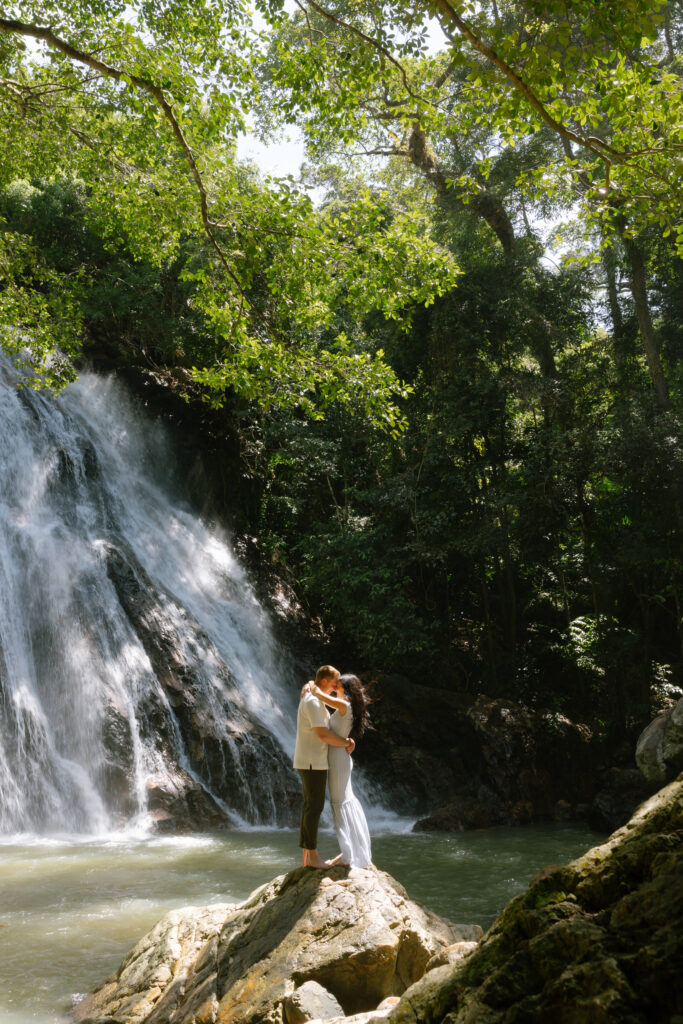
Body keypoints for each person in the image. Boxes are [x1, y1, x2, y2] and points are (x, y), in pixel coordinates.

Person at [303, 673, 372, 868]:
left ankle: (348, 855)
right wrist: (349, 741)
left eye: (337, 685)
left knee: (339, 804)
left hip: (338, 760)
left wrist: (310, 685)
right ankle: (352, 852)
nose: (334, 687)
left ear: (345, 688)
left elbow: (320, 695)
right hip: (340, 758)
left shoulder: (345, 706)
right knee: (344, 803)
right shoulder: (347, 706)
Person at [293, 664, 355, 869]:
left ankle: (307, 858)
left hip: (313, 760)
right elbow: (323, 734)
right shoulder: (313, 702)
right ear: (324, 682)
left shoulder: (316, 699)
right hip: (312, 761)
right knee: (314, 807)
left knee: (310, 807)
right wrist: (347, 743)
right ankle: (312, 858)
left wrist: (310, 685)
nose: (338, 685)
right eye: (335, 681)